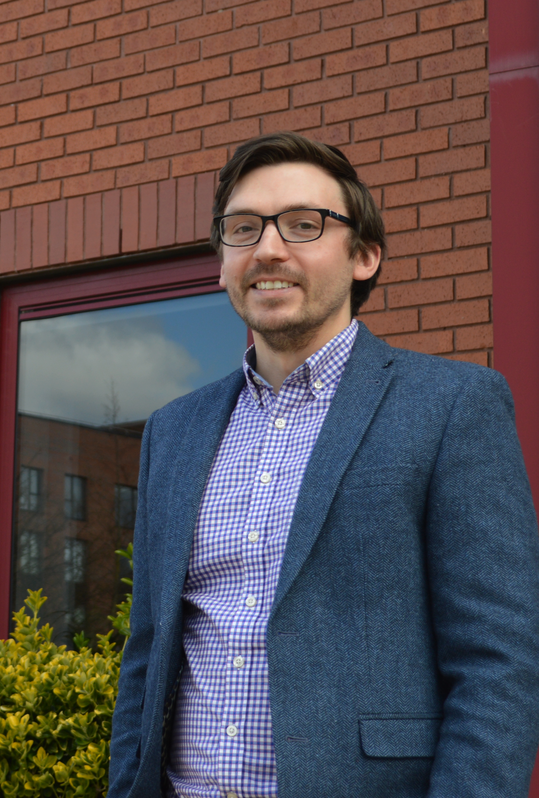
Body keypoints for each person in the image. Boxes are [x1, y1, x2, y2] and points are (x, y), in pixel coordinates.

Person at [108, 132, 539, 798]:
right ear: (221, 263)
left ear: (363, 255)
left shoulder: (453, 406)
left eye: (303, 225)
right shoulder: (173, 430)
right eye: (243, 228)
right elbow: (147, 651)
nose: (268, 249)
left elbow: (499, 663)